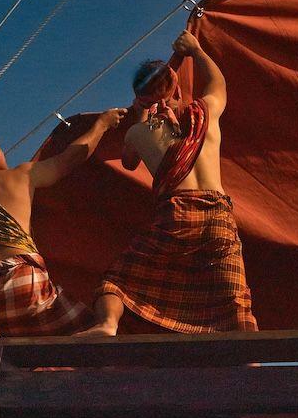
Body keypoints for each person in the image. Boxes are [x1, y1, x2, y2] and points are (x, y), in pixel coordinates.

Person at [79, 29, 257, 336]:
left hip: (174, 214)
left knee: (119, 280)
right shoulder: (206, 112)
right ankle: (250, 359)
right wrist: (197, 51)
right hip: (218, 214)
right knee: (235, 300)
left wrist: (138, 115)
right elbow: (219, 84)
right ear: (175, 88)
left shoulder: (138, 134)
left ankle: (107, 324)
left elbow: (129, 161)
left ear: (143, 97)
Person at [0, 109, 124, 338]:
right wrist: (102, 124)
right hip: (23, 281)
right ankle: (103, 325)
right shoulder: (21, 175)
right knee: (80, 327)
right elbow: (70, 158)